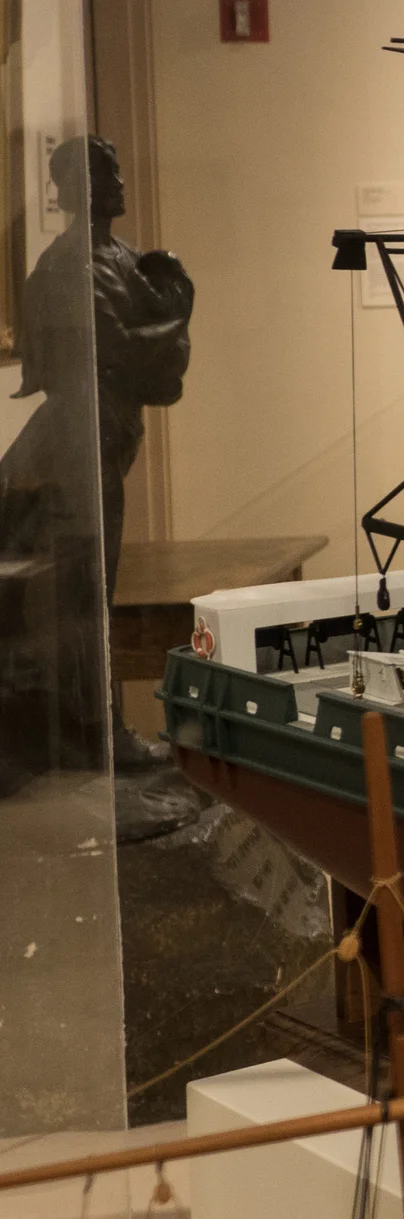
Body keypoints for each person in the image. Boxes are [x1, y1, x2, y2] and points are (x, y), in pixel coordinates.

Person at [0, 137, 192, 786]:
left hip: (109, 435)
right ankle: (96, 740)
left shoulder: (125, 257)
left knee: (93, 591)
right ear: (72, 187)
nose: (119, 181)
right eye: (104, 172)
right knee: (84, 596)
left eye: (115, 169)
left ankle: (97, 738)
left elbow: (162, 373)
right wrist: (176, 315)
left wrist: (163, 332)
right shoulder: (68, 267)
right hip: (77, 443)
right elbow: (121, 351)